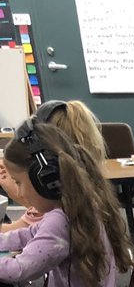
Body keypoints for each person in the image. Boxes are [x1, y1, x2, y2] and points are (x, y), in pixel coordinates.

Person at [0, 120, 132, 287]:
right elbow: (27, 235)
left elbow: (20, 270)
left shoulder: (61, 220)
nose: (18, 192)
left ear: (44, 179)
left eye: (18, 183)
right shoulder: (78, 208)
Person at [0, 99, 106, 232]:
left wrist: (15, 192)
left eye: (19, 182)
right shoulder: (91, 195)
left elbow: (15, 231)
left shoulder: (58, 216)